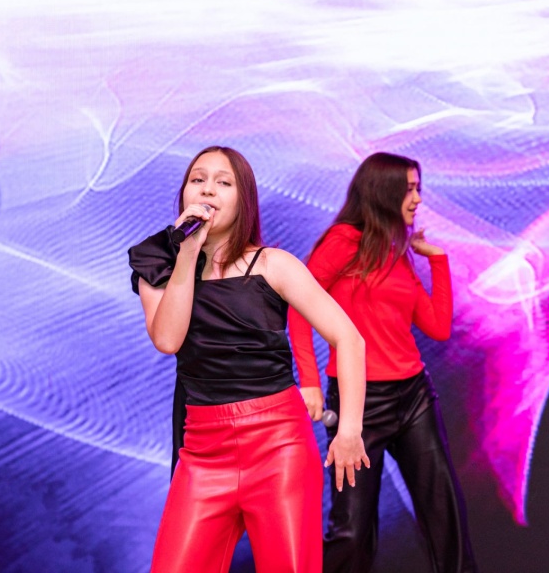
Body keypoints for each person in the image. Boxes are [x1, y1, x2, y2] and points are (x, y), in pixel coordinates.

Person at [128, 146, 370, 573]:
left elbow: (348, 338)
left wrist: (349, 429)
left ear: (244, 200)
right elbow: (167, 339)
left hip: (278, 445)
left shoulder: (273, 264)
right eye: (198, 179)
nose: (208, 190)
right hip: (203, 451)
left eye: (223, 182)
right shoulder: (157, 263)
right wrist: (187, 254)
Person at [288, 152, 478, 573]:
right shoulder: (342, 243)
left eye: (418, 188)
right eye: (408, 189)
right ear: (383, 191)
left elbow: (437, 326)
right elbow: (298, 308)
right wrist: (309, 382)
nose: (417, 199)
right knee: (352, 532)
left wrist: (436, 259)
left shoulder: (397, 250)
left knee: (445, 518)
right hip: (359, 406)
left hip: (414, 397)